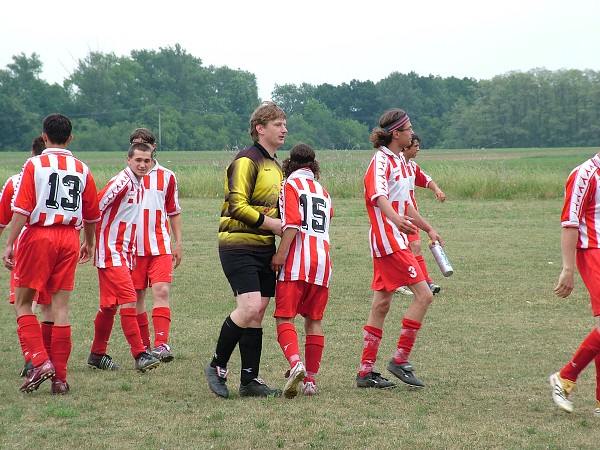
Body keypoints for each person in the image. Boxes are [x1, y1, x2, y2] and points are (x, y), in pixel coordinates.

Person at [2, 113, 101, 394]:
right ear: (70, 139)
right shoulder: (82, 168)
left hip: (39, 236)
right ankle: (60, 379)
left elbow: (22, 209)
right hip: (70, 238)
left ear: (44, 136)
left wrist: (10, 244)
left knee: (24, 303)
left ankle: (40, 361)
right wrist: (89, 243)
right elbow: (92, 215)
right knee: (60, 308)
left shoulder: (35, 163)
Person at [356, 108, 443, 390]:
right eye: (408, 130)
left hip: (394, 238)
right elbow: (378, 196)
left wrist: (428, 228)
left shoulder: (400, 163)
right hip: (389, 241)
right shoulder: (380, 161)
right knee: (424, 295)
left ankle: (365, 372)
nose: (412, 134)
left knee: (381, 305)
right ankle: (400, 360)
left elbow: (404, 204)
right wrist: (395, 220)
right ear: (396, 134)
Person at [204, 101, 286, 398]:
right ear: (259, 129)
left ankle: (249, 380)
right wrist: (273, 224)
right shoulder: (246, 160)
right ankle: (217, 366)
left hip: (264, 247)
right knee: (248, 307)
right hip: (237, 244)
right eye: (277, 124)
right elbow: (237, 206)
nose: (284, 129)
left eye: (284, 123)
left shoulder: (276, 165)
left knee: (258, 313)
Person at [87, 142, 161, 373]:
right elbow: (95, 208)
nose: (142, 164)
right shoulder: (121, 181)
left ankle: (97, 354)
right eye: (138, 160)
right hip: (111, 251)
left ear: (151, 163)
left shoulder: (138, 183)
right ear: (128, 160)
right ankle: (140, 355)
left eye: (146, 161)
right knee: (130, 298)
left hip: (124, 252)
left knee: (109, 306)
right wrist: (89, 241)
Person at [271, 143, 333, 398]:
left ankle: (296, 363)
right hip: (323, 262)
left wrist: (280, 254)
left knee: (285, 317)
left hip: (298, 261)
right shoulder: (324, 191)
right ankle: (311, 381)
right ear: (313, 166)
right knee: (314, 320)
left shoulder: (289, 185)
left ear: (289, 163)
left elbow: (293, 222)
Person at [550, 150, 600, 415]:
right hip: (593, 252)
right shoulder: (584, 174)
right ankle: (565, 376)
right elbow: (570, 223)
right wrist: (567, 269)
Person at [0, 135, 53, 379]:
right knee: (50, 306)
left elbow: (2, 219)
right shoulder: (61, 178)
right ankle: (48, 357)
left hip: (26, 249)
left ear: (32, 153)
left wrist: (8, 244)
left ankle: (33, 358)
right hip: (57, 247)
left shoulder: (16, 181)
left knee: (26, 304)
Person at [129, 128, 182, 363]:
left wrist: (178, 242)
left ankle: (162, 345)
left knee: (161, 291)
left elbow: (173, 210)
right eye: (135, 145)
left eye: (145, 146)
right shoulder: (124, 178)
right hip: (132, 248)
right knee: (137, 296)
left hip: (160, 245)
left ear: (154, 148)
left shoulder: (167, 176)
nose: (141, 150)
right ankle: (144, 346)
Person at [395, 134, 446, 296]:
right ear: (405, 147)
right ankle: (424, 282)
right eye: (415, 146)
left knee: (411, 247)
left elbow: (426, 179)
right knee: (410, 247)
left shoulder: (412, 167)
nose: (418, 149)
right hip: (399, 216)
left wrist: (437, 189)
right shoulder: (397, 165)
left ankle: (411, 282)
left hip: (412, 215)